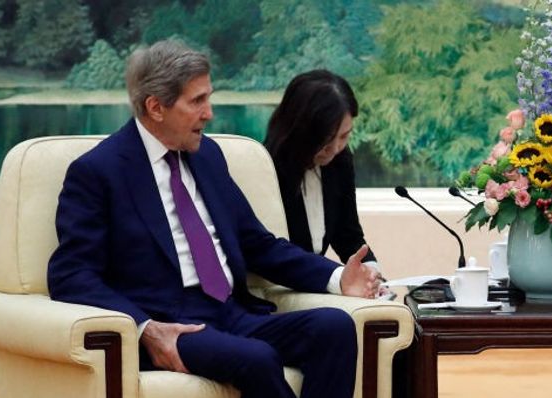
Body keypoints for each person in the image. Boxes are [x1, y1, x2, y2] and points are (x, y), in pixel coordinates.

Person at [46, 40, 381, 398]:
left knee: (335, 327)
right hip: (174, 325)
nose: (209, 113)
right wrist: (146, 328)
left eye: (209, 98)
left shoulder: (207, 155)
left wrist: (336, 278)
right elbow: (71, 274)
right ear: (156, 107)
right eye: (197, 101)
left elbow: (257, 244)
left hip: (231, 312)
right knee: (257, 358)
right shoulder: (98, 172)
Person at [264, 70, 379, 267]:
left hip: (319, 283)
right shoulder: (266, 168)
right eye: (325, 140)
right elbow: (275, 254)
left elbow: (348, 236)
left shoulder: (340, 161)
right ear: (300, 130)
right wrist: (337, 278)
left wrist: (372, 274)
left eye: (344, 136)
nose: (334, 149)